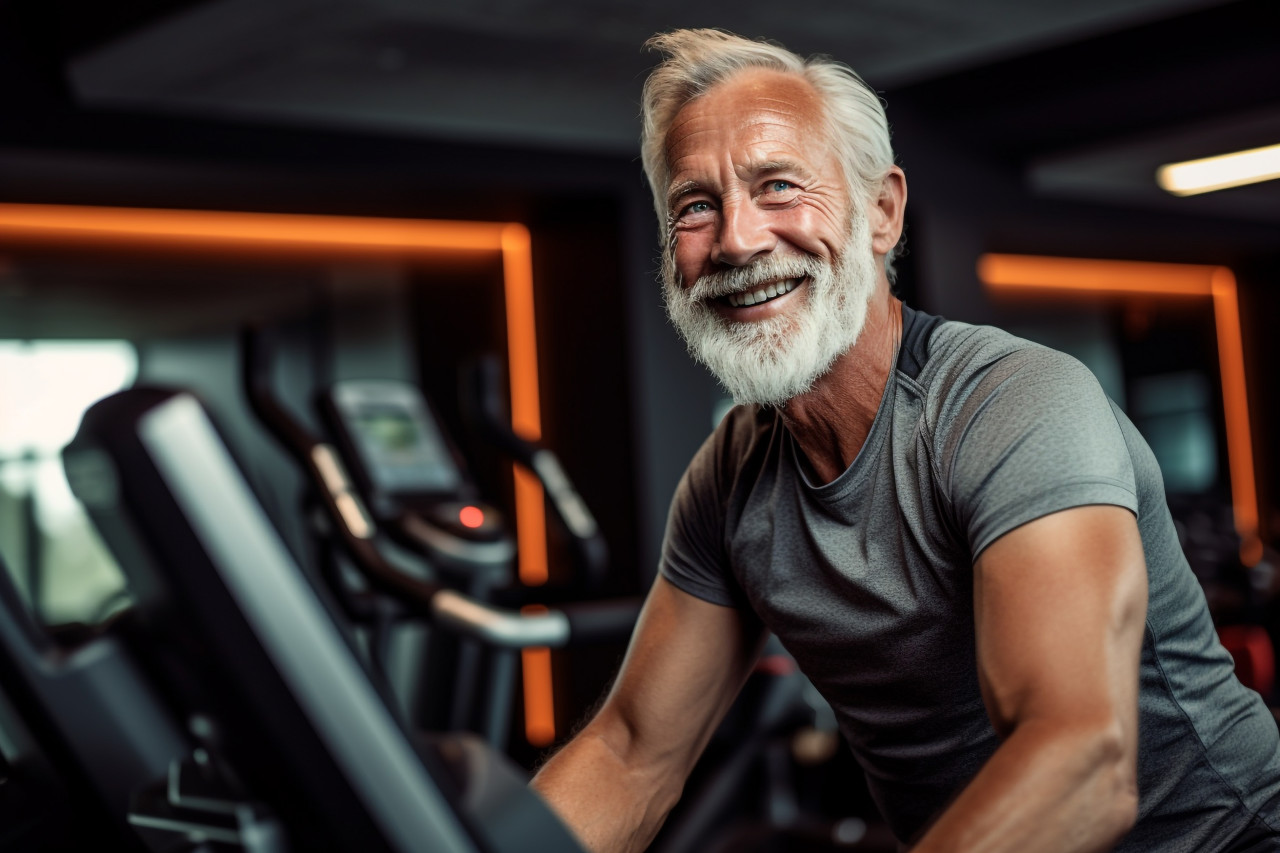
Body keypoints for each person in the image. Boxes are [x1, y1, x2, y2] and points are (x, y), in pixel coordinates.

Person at [532, 28, 1280, 853]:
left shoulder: (1010, 404)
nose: (738, 240)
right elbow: (630, 751)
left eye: (778, 186)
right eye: (696, 206)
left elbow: (1080, 760)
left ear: (881, 212)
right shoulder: (729, 481)